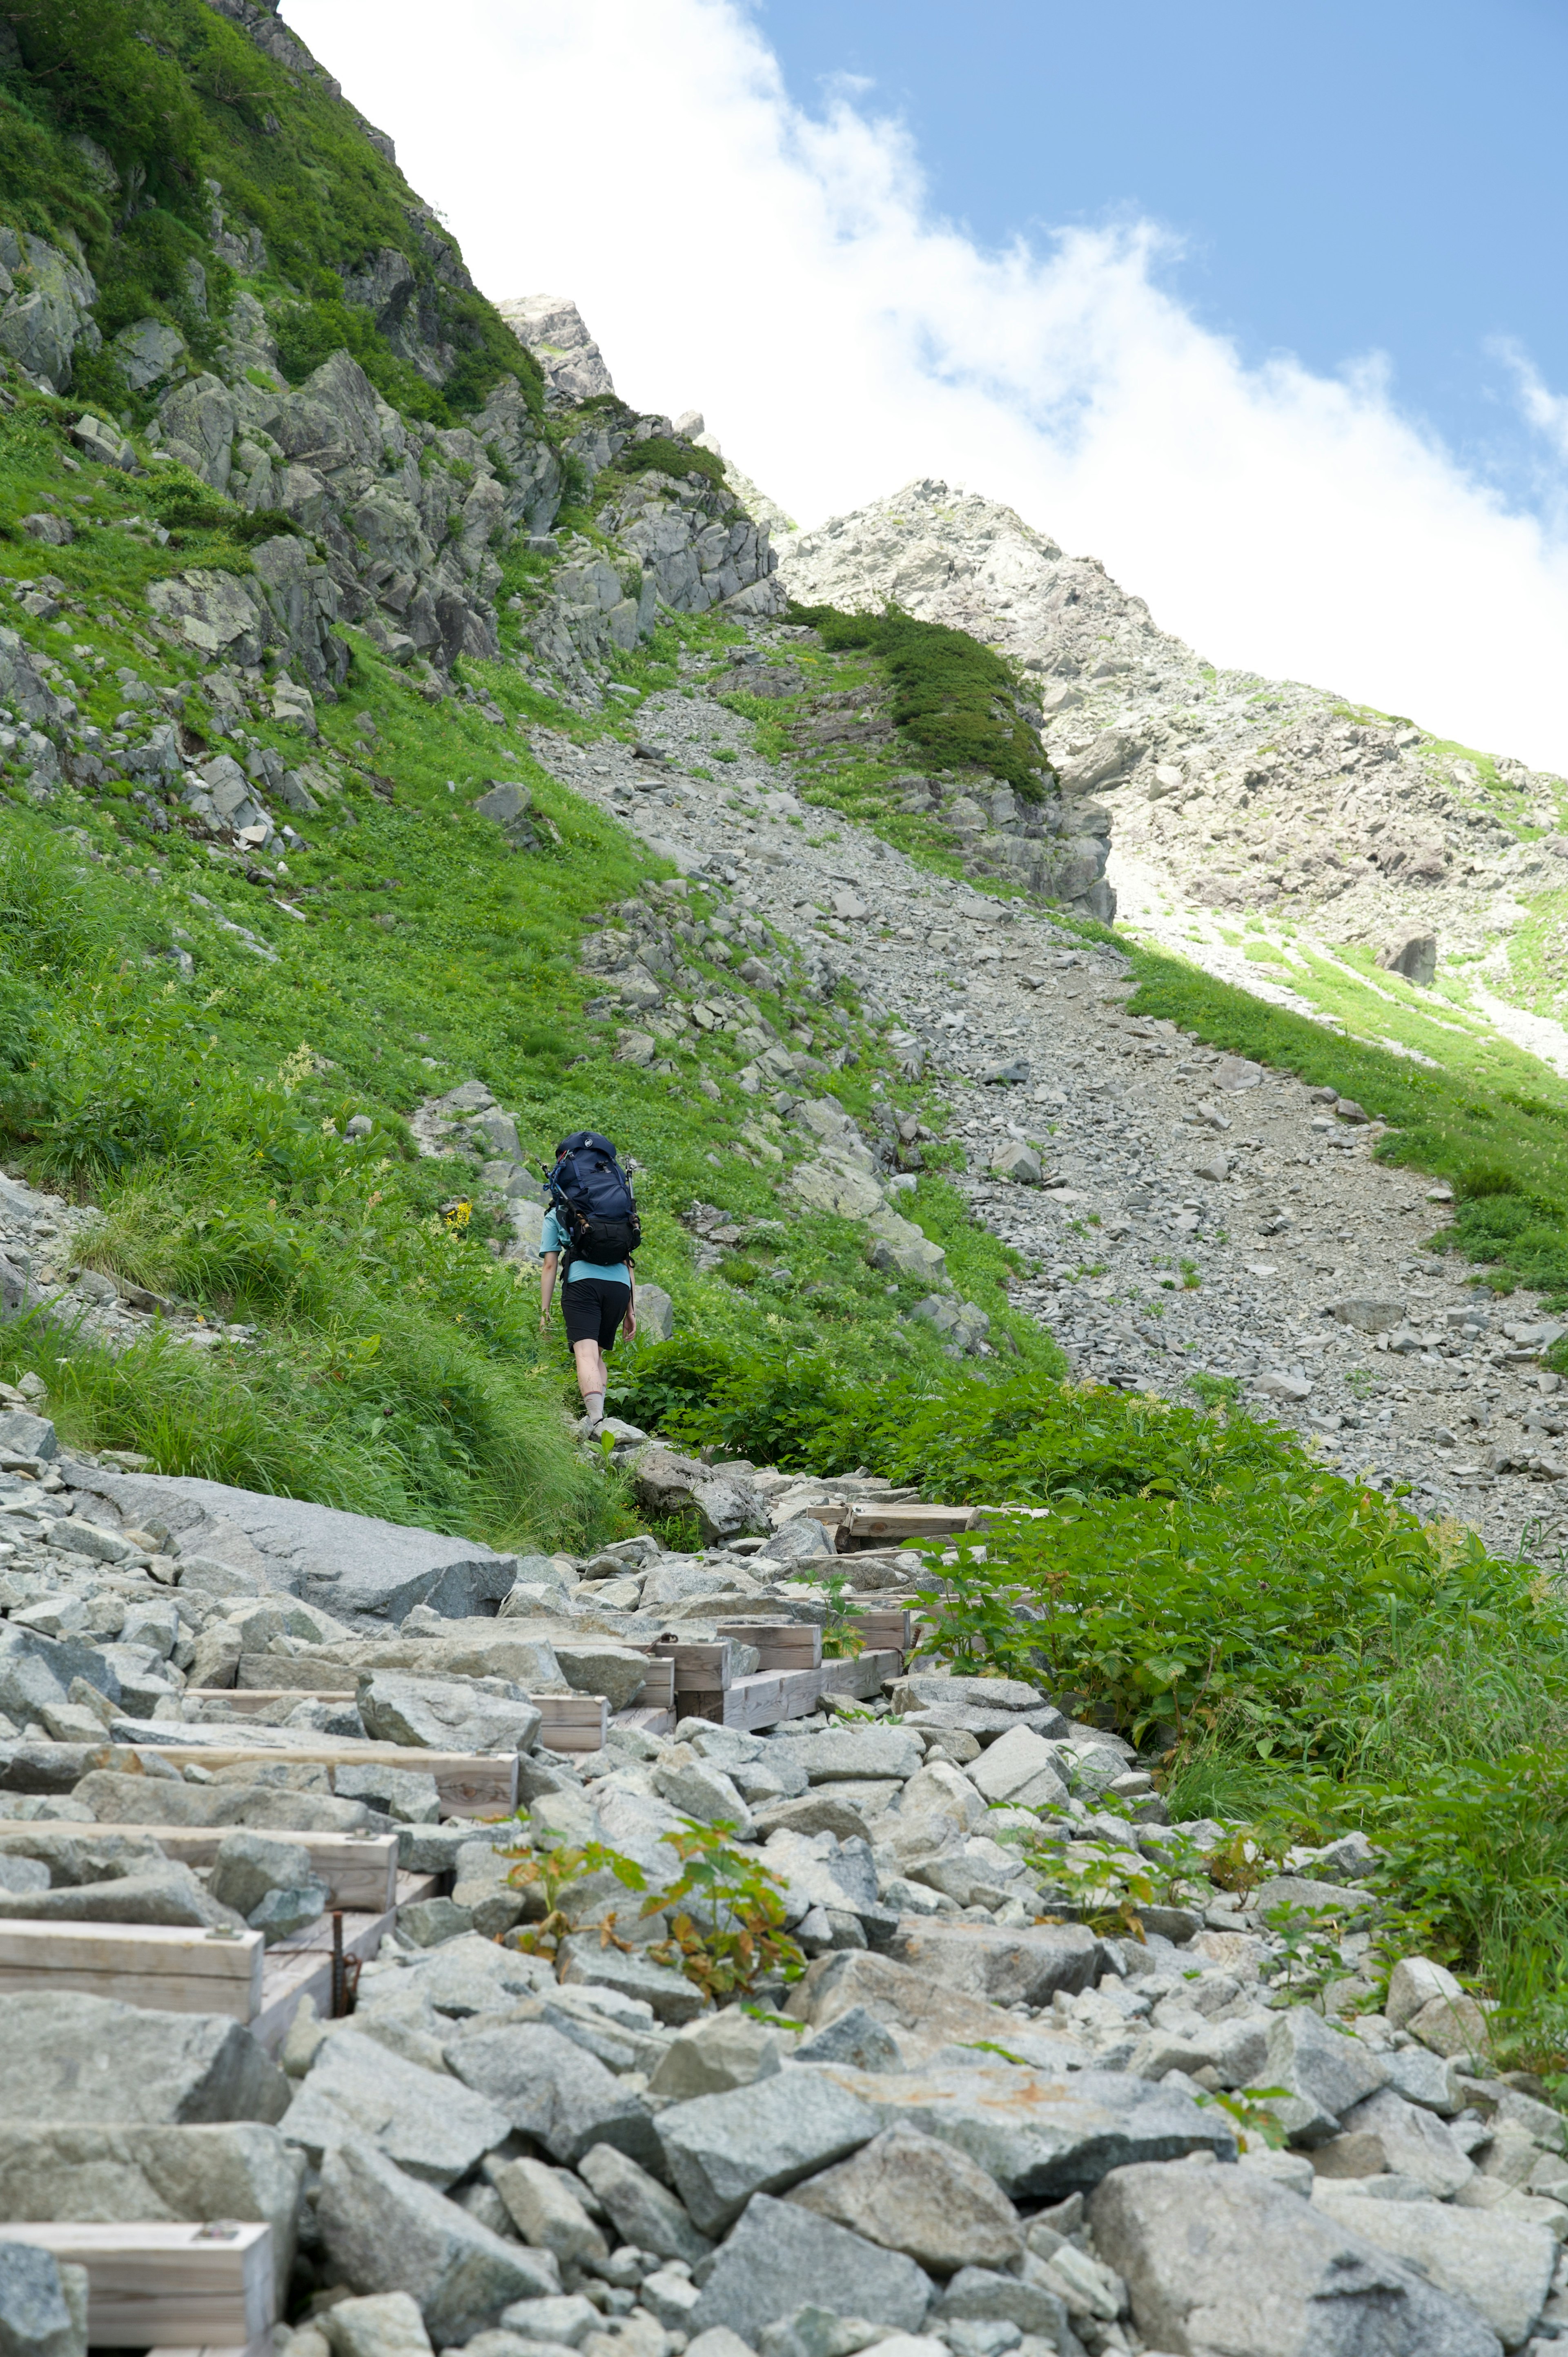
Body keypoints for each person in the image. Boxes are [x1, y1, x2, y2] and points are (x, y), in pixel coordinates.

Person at [538, 1137, 636, 1436]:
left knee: (585, 1352)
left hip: (583, 1283)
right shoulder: (617, 1208)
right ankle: (601, 1419)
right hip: (620, 1287)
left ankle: (596, 1423)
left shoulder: (558, 1213)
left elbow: (550, 1265)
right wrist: (632, 1308)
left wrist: (544, 1312)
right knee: (598, 1355)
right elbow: (628, 1258)